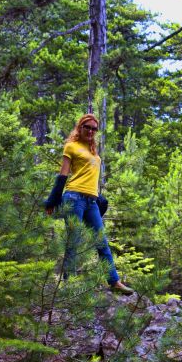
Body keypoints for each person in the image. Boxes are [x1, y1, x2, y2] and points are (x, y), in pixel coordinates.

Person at [45, 114, 133, 295]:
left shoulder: (94, 151)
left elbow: (91, 178)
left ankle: (114, 281)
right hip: (73, 198)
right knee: (73, 241)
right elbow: (63, 175)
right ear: (80, 127)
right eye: (88, 127)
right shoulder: (71, 146)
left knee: (102, 242)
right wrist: (53, 200)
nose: (91, 131)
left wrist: (99, 198)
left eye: (94, 129)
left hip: (91, 201)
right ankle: (69, 284)